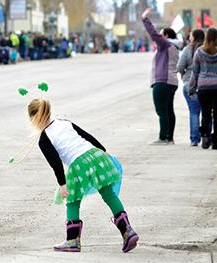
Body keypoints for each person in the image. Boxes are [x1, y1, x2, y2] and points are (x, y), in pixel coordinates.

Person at [27, 98, 139, 253]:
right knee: (109, 194)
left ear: (32, 118)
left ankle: (72, 240)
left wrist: (62, 184)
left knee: (72, 200)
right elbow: (88, 137)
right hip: (96, 155)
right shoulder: (64, 122)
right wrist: (104, 153)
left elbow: (56, 163)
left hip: (79, 164)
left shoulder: (44, 139)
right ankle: (128, 231)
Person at [141, 8, 182, 145]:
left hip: (162, 81)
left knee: (161, 110)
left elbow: (153, 34)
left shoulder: (165, 44)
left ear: (165, 36)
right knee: (169, 110)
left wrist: (145, 19)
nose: (159, 36)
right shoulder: (175, 46)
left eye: (161, 34)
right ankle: (170, 137)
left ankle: (163, 137)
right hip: (172, 82)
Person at [189, 28, 217, 150]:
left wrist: (192, 87)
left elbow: (195, 71)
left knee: (206, 113)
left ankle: (205, 136)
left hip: (203, 87)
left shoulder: (199, 52)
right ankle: (216, 142)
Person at [177, 29, 205, 146]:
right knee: (207, 112)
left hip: (189, 84)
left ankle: (194, 139)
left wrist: (184, 75)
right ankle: (207, 136)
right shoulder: (206, 49)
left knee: (194, 112)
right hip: (205, 85)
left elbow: (179, 67)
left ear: (194, 37)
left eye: (191, 36)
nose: (189, 38)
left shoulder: (187, 50)